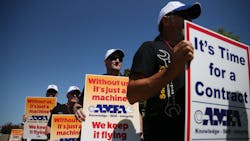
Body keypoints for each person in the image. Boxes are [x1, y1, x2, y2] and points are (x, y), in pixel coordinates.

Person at [126, 1, 201, 141]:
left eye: (190, 17)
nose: (189, 21)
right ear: (166, 21)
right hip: (161, 133)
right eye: (183, 15)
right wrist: (171, 70)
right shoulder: (150, 48)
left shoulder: (197, 53)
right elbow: (132, 94)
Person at [74, 49, 144, 140]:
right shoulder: (93, 83)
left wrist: (140, 132)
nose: (117, 61)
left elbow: (136, 111)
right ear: (105, 62)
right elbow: (77, 105)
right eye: (113, 58)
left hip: (123, 135)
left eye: (120, 59)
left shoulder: (129, 84)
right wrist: (78, 110)